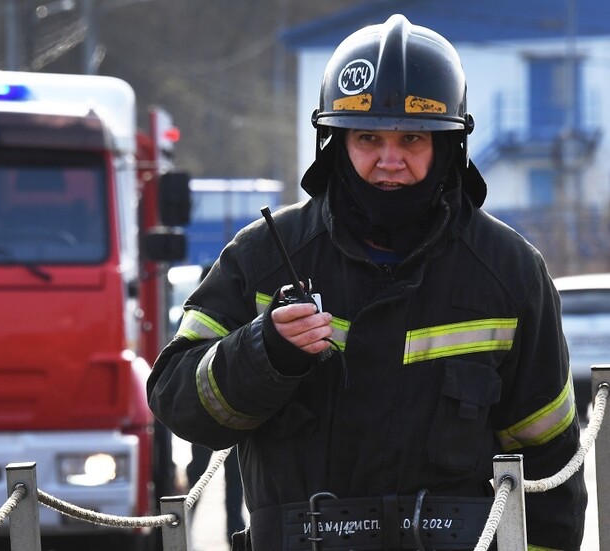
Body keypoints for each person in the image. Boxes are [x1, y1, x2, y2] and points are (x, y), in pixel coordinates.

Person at [147, 13, 586, 551]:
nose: (389, 161)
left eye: (413, 138)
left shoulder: (508, 272)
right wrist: (265, 354)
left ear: (450, 146)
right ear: (334, 142)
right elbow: (176, 399)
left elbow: (548, 467)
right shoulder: (264, 257)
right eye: (368, 137)